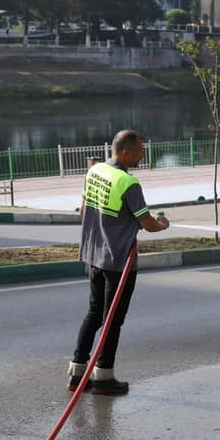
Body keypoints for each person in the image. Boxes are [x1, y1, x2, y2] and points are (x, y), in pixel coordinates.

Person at [67, 130, 169, 395]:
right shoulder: (128, 183)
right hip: (118, 262)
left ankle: (77, 372)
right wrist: (162, 223)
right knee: (113, 320)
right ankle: (103, 376)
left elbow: (83, 209)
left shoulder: (95, 171)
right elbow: (147, 223)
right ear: (125, 152)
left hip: (94, 255)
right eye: (139, 151)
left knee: (94, 312)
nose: (142, 155)